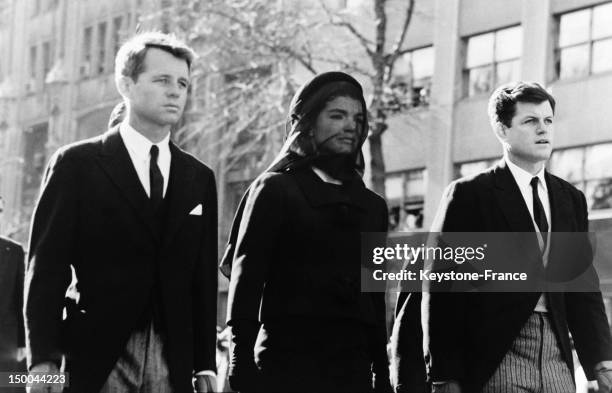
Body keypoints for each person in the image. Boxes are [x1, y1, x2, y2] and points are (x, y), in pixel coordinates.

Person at [24, 32, 218, 393]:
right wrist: (43, 360)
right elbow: (46, 268)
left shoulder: (199, 177)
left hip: (171, 358)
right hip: (96, 354)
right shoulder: (77, 164)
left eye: (183, 83)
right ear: (126, 84)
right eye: (162, 80)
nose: (176, 91)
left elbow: (202, 278)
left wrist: (206, 363)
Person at [421, 82, 612, 393]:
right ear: (502, 129)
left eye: (548, 120)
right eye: (530, 121)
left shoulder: (570, 198)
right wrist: (444, 375)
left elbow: (582, 283)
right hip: (495, 356)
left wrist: (602, 363)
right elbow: (442, 287)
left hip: (556, 355)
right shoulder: (470, 195)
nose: (543, 129)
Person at [224, 71, 392, 393]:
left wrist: (381, 373)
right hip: (286, 364)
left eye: (357, 118)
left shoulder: (373, 207)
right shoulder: (275, 190)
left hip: (351, 370)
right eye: (337, 115)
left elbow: (374, 296)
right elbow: (247, 280)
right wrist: (239, 357)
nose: (350, 126)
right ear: (309, 123)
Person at [0, 198, 26, 393]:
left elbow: (20, 300)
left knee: (8, 386)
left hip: (6, 344)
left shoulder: (14, 251)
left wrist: (23, 343)